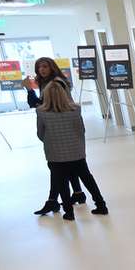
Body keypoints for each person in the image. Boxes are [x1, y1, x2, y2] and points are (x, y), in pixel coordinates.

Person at [35, 81, 109, 221]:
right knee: (87, 179)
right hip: (76, 152)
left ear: (46, 96)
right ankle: (101, 205)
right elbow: (81, 129)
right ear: (64, 94)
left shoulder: (41, 113)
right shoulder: (75, 110)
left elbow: (40, 134)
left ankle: (69, 212)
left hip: (55, 154)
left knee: (62, 182)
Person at [23, 57, 85, 212]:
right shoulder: (47, 83)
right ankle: (77, 193)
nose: (42, 70)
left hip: (61, 126)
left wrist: (29, 90)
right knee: (67, 165)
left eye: (45, 66)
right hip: (60, 126)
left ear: (52, 67)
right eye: (39, 67)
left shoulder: (55, 83)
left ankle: (53, 200)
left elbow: (39, 104)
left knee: (59, 168)